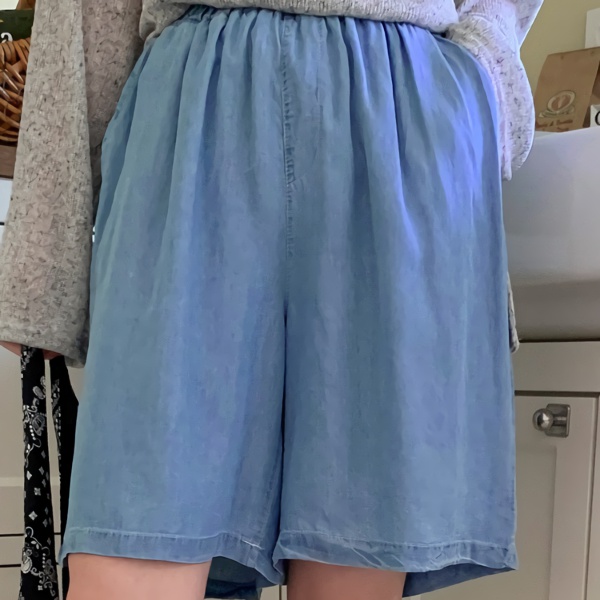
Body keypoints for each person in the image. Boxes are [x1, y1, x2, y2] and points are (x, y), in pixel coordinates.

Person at [0, 0, 541, 598]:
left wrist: (484, 67)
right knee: (132, 545)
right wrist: (44, 264)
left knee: (355, 559)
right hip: (194, 110)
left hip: (400, 113)